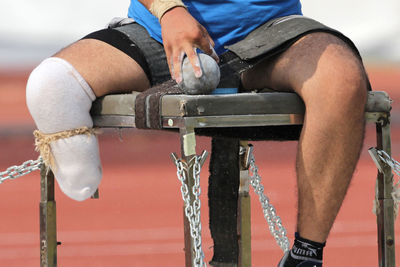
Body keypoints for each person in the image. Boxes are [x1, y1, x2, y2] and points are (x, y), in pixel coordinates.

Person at [25, 0, 369, 266]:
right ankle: (87, 203)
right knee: (52, 86)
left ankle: (306, 254)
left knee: (341, 81)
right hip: (161, 30)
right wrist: (169, 9)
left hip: (273, 33)